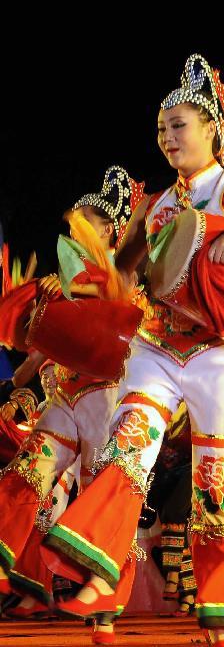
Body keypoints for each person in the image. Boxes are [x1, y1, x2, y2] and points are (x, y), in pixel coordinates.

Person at [41, 54, 224, 647]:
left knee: (219, 475)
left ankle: (218, 615)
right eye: (161, 128)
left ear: (211, 129)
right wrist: (79, 282)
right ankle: (101, 582)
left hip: (219, 350)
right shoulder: (154, 205)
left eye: (178, 125)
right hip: (156, 347)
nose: (167, 138)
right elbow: (121, 270)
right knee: (125, 448)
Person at [0, 166, 143, 644]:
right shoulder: (64, 277)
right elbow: (45, 349)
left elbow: (118, 309)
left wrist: (68, 288)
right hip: (65, 396)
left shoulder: (122, 272)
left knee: (99, 494)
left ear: (106, 230)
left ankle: (104, 610)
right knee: (28, 470)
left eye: (83, 222)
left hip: (105, 397)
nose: (73, 229)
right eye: (71, 224)